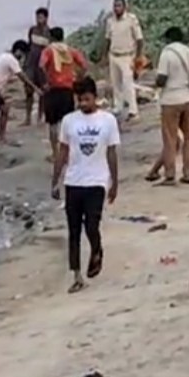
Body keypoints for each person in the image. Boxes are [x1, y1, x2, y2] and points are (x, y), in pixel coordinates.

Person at [51, 77, 119, 294]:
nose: (83, 104)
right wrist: (56, 179)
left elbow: (111, 152)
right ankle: (77, 275)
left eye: (87, 99)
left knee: (91, 224)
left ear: (95, 98)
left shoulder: (107, 120)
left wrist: (114, 182)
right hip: (73, 181)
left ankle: (97, 250)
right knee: (73, 231)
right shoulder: (69, 121)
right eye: (80, 100)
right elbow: (63, 151)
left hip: (97, 181)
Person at [152, 27, 189, 186]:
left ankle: (170, 175)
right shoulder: (188, 52)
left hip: (171, 100)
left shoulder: (167, 53)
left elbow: (162, 79)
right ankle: (188, 173)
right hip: (188, 98)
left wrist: (155, 83)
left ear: (168, 39)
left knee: (170, 138)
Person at [38, 27, 88, 161]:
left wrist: (47, 80)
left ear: (51, 38)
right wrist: (78, 78)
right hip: (68, 89)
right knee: (68, 123)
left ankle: (55, 154)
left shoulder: (48, 51)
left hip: (53, 90)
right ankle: (68, 153)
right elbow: (84, 65)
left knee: (53, 124)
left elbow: (41, 65)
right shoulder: (71, 50)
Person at [102, 0, 143, 122]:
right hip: (114, 55)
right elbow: (108, 39)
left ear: (124, 7)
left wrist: (138, 57)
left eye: (119, 6)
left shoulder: (131, 19)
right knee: (116, 83)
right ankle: (118, 107)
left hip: (127, 55)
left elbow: (139, 39)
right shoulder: (110, 21)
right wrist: (104, 55)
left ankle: (133, 110)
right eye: (115, 6)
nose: (117, 8)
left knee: (128, 83)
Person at [22, 7, 51, 127]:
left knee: (42, 91)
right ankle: (28, 117)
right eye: (37, 17)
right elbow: (29, 46)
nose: (39, 19)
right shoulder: (32, 30)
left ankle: (40, 117)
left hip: (42, 65)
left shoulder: (48, 32)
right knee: (28, 90)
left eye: (41, 17)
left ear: (46, 18)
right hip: (30, 64)